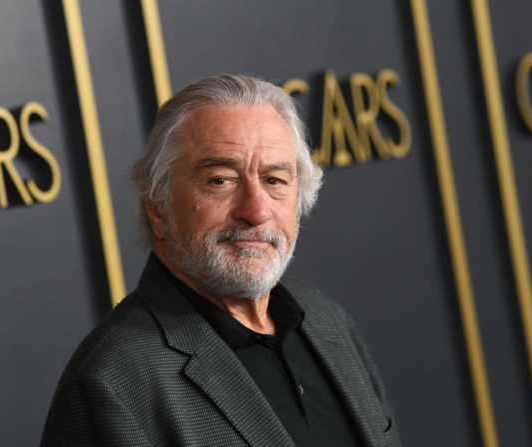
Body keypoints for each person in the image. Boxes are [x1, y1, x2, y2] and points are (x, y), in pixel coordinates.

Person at [41, 74, 401, 446]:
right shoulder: (112, 382)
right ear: (158, 208)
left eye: (275, 180)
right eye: (220, 180)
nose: (256, 211)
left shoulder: (328, 321)